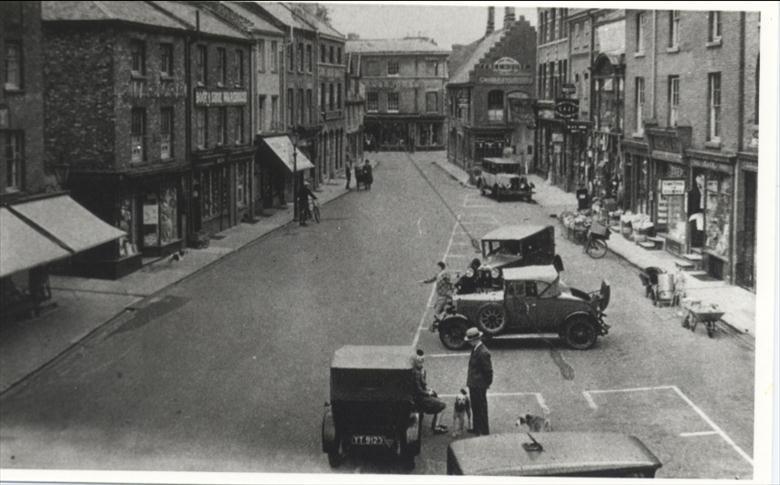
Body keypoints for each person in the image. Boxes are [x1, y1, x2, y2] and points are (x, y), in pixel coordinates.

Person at [411, 349, 448, 434]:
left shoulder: (418, 371)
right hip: (420, 398)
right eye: (419, 361)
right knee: (442, 406)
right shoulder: (416, 373)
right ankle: (436, 427)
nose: (421, 362)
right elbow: (418, 389)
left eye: (422, 360)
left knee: (435, 396)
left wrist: (428, 390)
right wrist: (428, 392)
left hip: (419, 396)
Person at [465, 327, 493, 436]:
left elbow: (488, 371)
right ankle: (477, 428)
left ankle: (484, 431)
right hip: (474, 384)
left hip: (479, 386)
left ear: (474, 340)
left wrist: (486, 384)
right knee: (475, 407)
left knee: (481, 408)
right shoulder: (477, 348)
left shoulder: (483, 352)